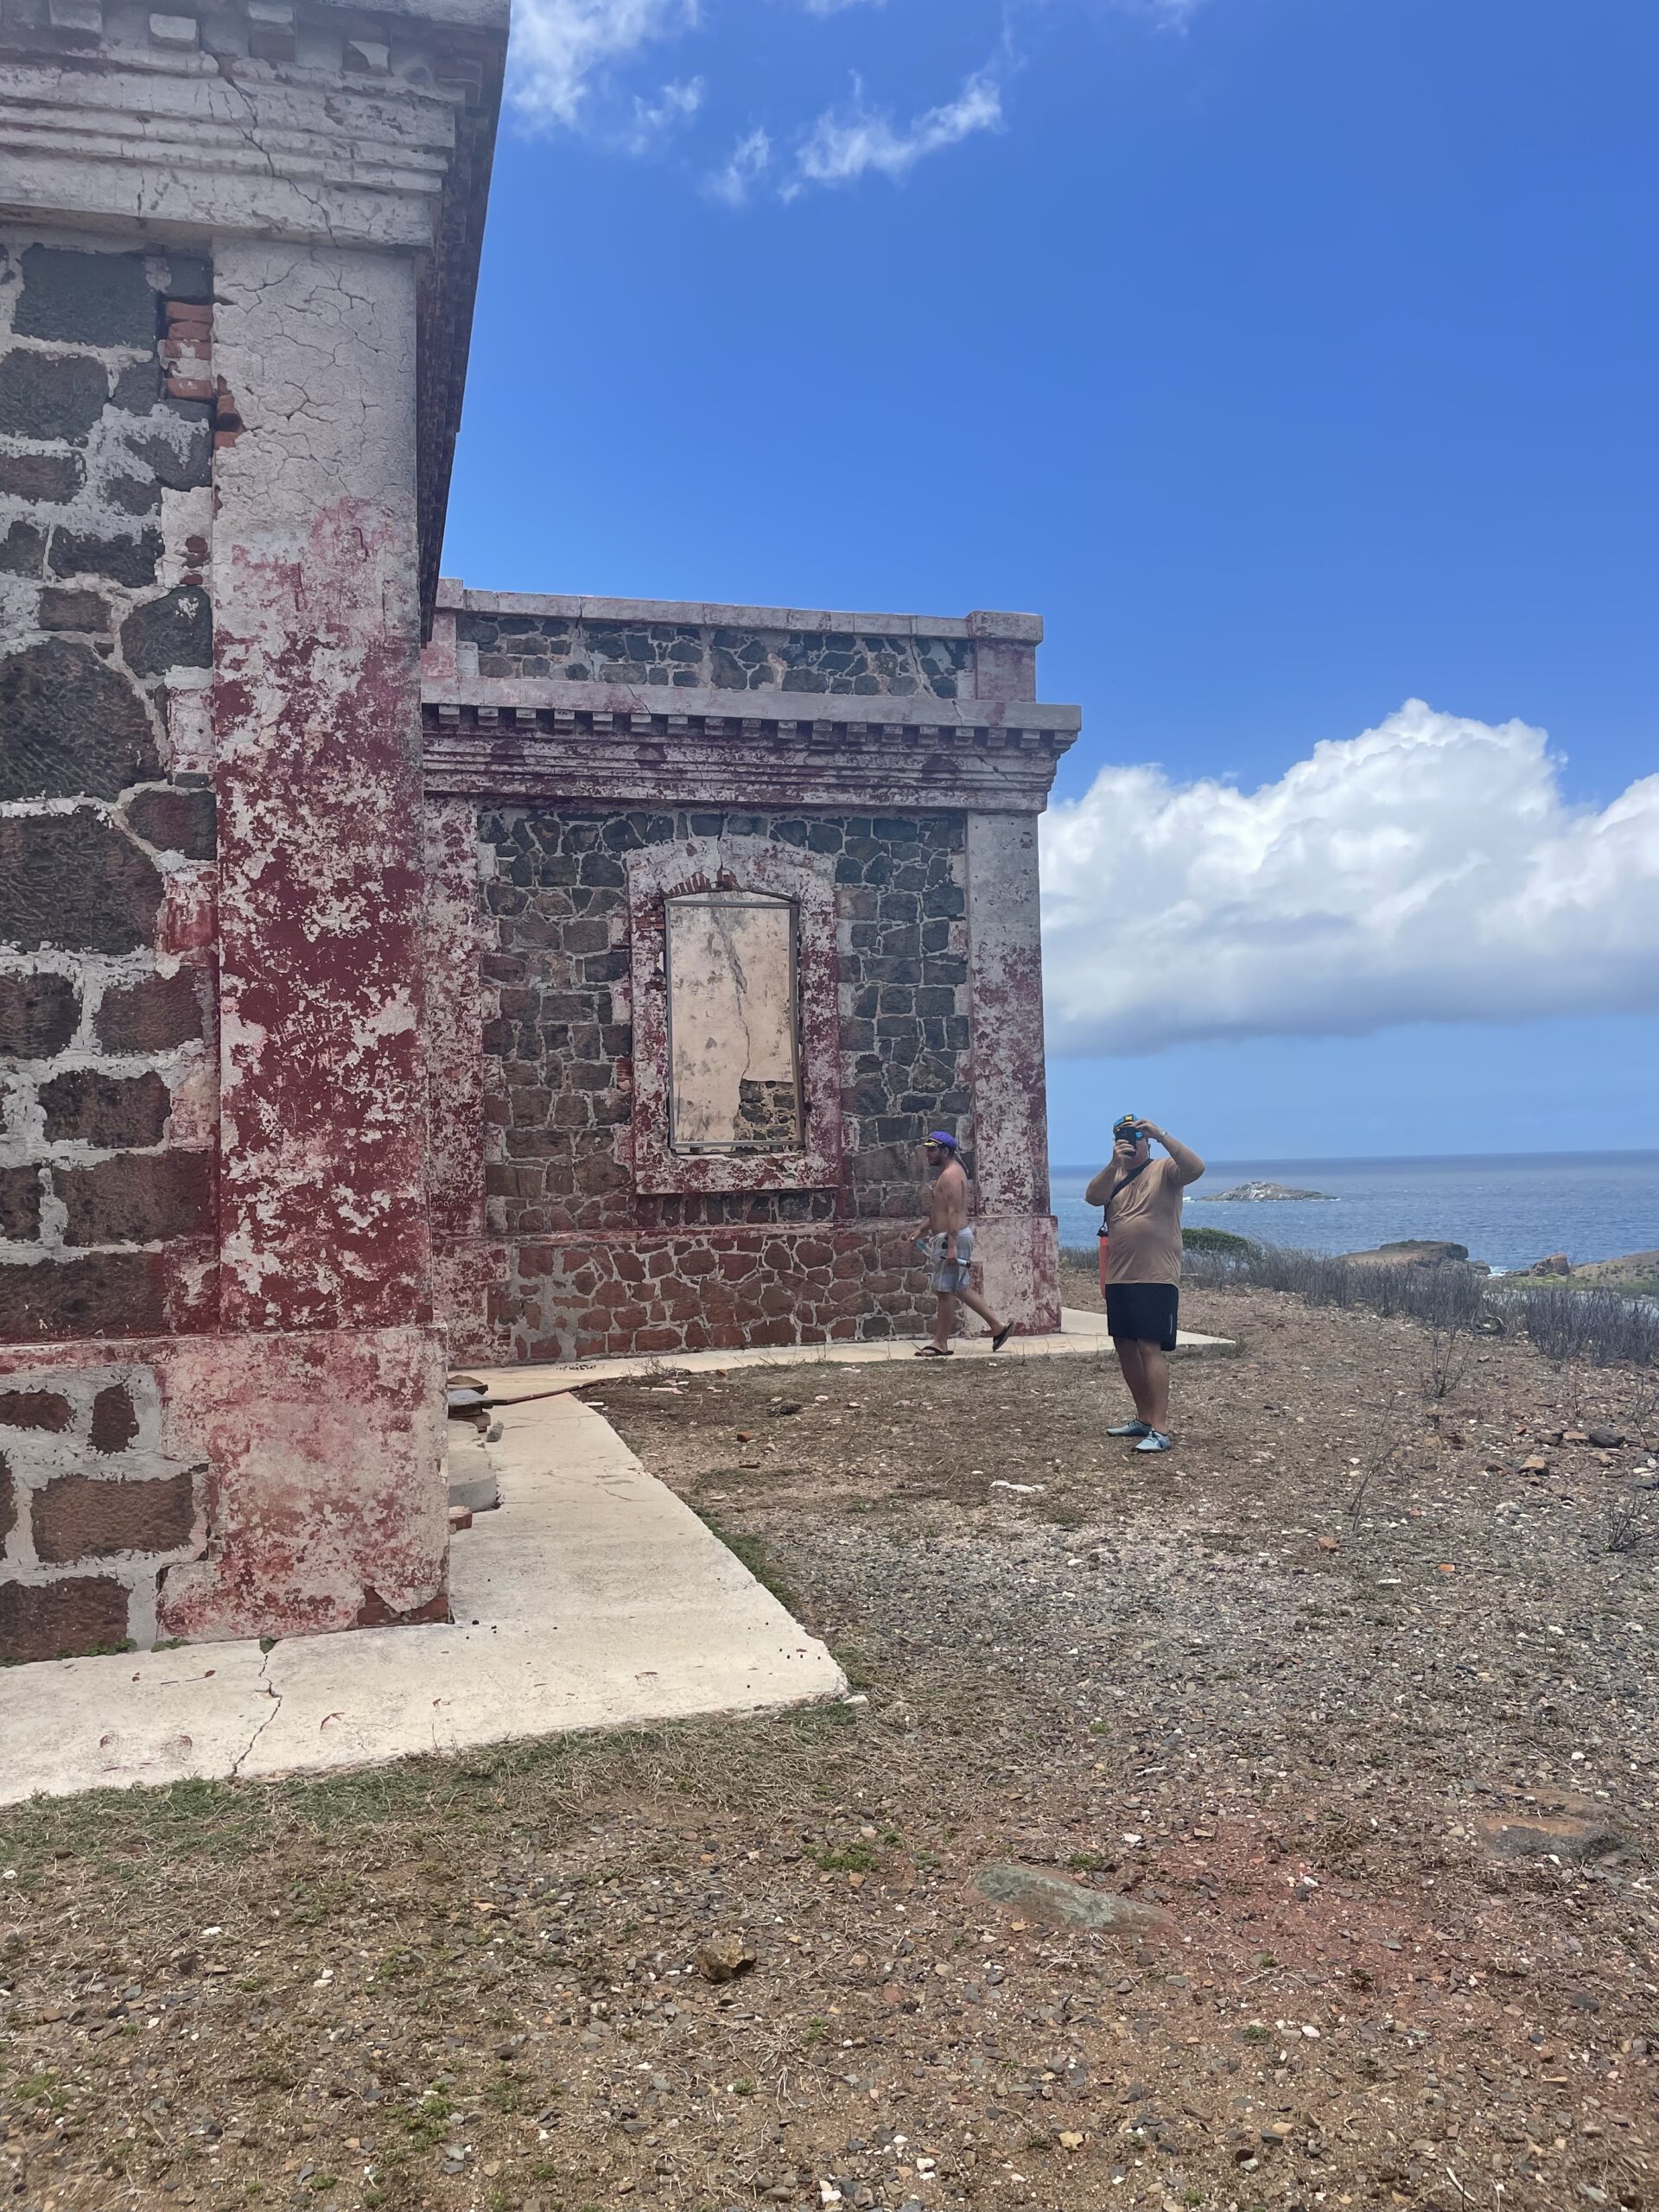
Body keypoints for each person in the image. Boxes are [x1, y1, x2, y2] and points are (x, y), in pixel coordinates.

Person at [1084, 1114, 1205, 1452]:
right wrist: (1113, 1164)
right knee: (1124, 1345)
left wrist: (1161, 1134)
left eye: (1136, 1136)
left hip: (1156, 1275)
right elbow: (1093, 1197)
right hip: (1119, 1275)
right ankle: (1144, 1417)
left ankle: (1161, 1429)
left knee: (1150, 1347)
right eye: (1122, 1136)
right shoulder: (1114, 1175)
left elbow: (1196, 1168)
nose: (1130, 1141)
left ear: (1147, 1142)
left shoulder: (1165, 1169)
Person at [913, 1131, 1013, 1358]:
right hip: (949, 1238)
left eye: (932, 1149)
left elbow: (954, 1212)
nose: (928, 1154)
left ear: (945, 1151)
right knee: (959, 1287)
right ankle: (998, 1327)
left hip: (950, 1239)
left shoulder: (951, 1175)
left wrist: (951, 1247)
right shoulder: (951, 1173)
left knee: (944, 1291)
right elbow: (940, 1209)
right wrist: (923, 1228)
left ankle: (940, 1343)